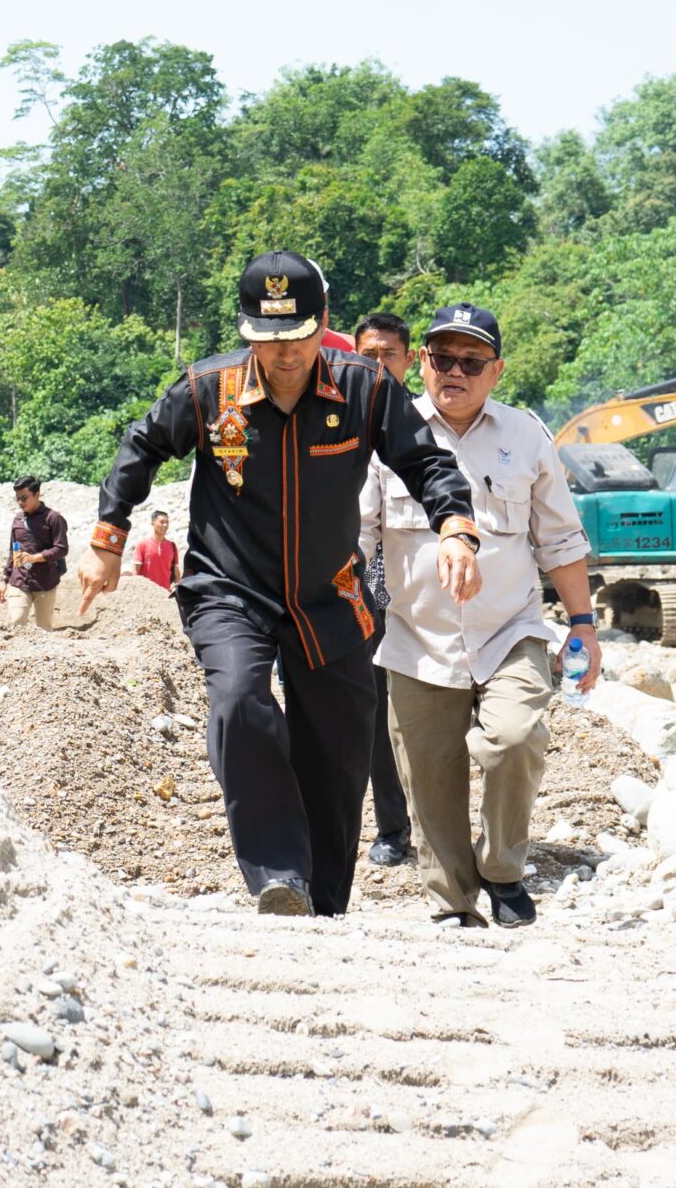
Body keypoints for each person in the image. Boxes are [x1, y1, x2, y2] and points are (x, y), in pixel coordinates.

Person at [77, 251, 481, 918]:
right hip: (229, 587)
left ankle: (320, 906)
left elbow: (424, 458)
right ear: (244, 334)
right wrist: (106, 539)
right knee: (239, 703)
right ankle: (277, 873)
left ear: (321, 324)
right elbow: (141, 446)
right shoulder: (208, 391)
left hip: (331, 593)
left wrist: (456, 527)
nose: (284, 355)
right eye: (266, 341)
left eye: (296, 338)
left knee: (339, 751)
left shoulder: (364, 388)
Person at [360, 303, 599, 929]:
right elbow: (354, 536)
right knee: (429, 780)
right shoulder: (386, 434)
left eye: (471, 362)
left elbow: (561, 541)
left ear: (496, 371)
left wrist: (583, 625)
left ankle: (502, 870)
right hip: (416, 636)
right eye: (442, 359)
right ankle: (453, 903)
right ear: (422, 364)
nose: (454, 372)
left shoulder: (527, 436)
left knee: (513, 741)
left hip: (510, 630)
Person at [350, 310, 419, 868]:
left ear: (409, 359)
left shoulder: (428, 421)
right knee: (374, 719)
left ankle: (450, 826)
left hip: (435, 597)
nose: (376, 366)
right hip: (368, 598)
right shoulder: (338, 424)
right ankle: (393, 827)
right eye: (365, 355)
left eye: (386, 355)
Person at [0, 477, 70, 626]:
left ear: (37, 494)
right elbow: (13, 551)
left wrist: (35, 558)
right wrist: (4, 579)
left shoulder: (53, 519)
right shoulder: (17, 520)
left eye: (24, 498)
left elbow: (61, 549)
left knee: (44, 628)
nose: (20, 503)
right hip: (19, 581)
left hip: (45, 583)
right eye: (17, 499)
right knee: (16, 622)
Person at [131, 511, 180, 592]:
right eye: (162, 522)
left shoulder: (172, 546)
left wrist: (177, 586)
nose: (165, 525)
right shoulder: (143, 544)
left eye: (167, 522)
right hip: (146, 592)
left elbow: (176, 570)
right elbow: (136, 569)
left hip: (165, 593)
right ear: (152, 523)